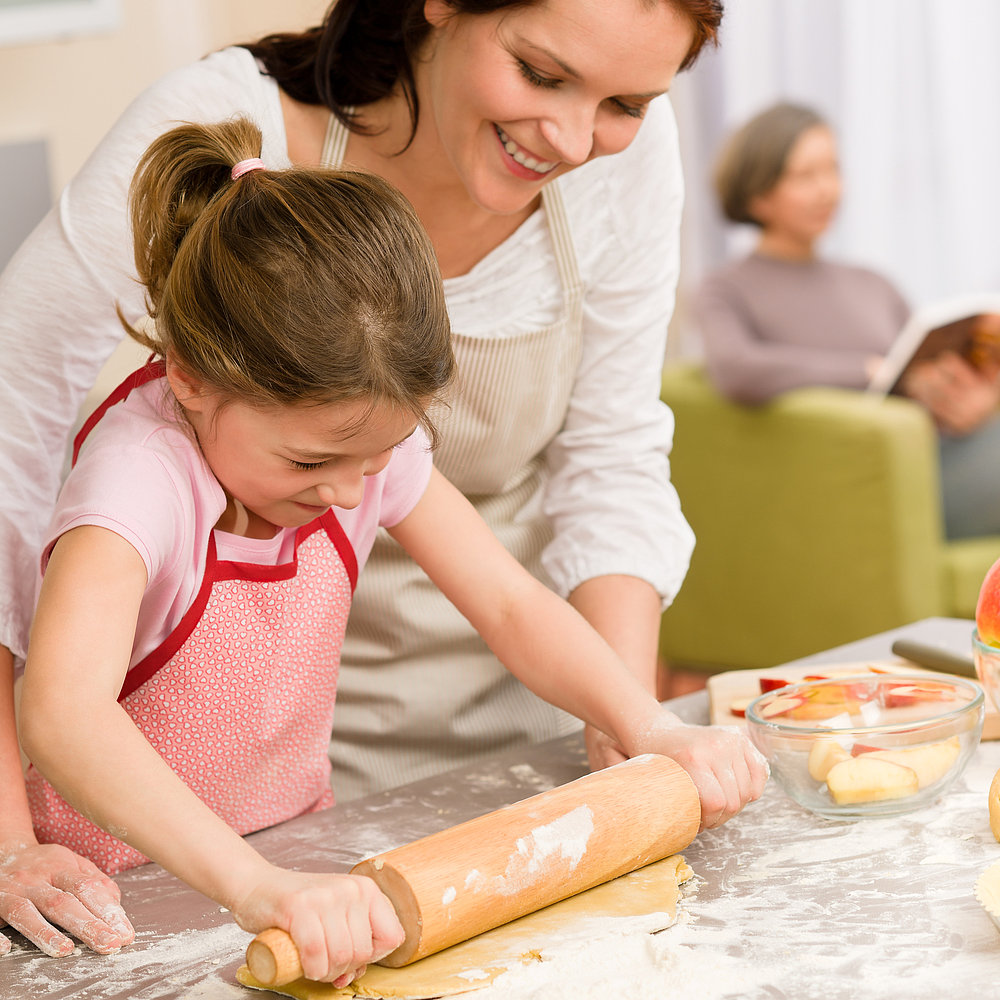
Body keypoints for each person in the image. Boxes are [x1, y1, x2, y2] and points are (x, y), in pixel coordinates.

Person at [0, 0, 758, 959]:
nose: (356, 496)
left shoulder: (357, 439)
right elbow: (62, 712)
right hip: (121, 905)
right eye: (315, 463)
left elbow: (513, 605)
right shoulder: (138, 483)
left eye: (623, 103)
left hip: (293, 849)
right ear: (190, 376)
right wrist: (248, 883)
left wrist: (646, 725)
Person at [695, 101, 1000, 539]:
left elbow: (921, 373)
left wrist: (977, 399)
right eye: (806, 176)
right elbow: (737, 369)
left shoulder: (873, 283)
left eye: (833, 170)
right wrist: (866, 371)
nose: (828, 190)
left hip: (939, 451)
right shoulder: (726, 289)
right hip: (872, 482)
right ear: (758, 194)